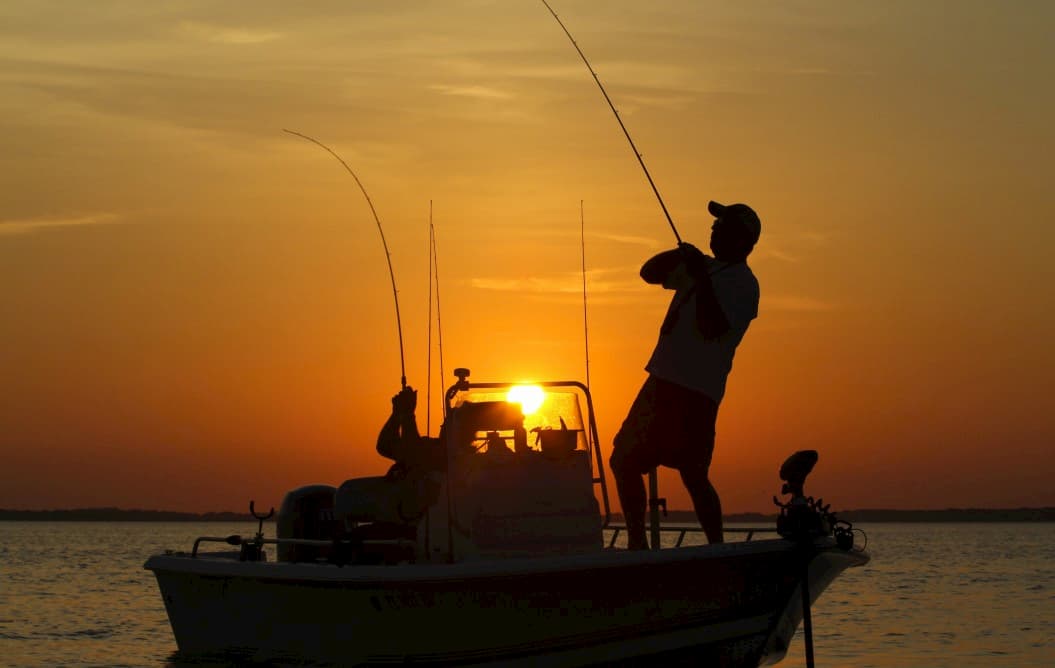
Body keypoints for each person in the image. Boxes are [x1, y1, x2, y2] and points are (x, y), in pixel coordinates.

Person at [610, 200, 761, 550]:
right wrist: (681, 258)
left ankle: (716, 548)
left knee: (693, 474)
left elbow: (713, 327)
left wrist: (701, 274)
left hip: (696, 391)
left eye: (721, 226)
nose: (713, 230)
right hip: (662, 381)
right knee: (624, 459)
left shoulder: (744, 285)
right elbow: (649, 273)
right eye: (714, 225)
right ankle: (637, 543)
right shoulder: (701, 268)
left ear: (743, 241)